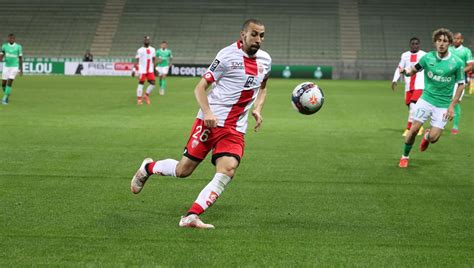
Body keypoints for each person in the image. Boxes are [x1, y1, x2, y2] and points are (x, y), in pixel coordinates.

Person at [131, 19, 271, 228]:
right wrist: (207, 112)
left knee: (228, 169)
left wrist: (258, 109)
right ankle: (148, 167)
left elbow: (263, 86)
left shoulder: (265, 60)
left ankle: (191, 215)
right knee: (183, 171)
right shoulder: (226, 55)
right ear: (243, 35)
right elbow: (200, 87)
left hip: (234, 129)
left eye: (261, 35)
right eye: (254, 34)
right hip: (210, 122)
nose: (258, 39)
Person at [398, 28, 465, 168]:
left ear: (449, 44)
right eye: (439, 40)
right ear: (435, 42)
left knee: (434, 138)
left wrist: (452, 105)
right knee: (414, 129)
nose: (441, 44)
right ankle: (405, 156)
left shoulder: (457, 62)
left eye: (445, 41)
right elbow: (414, 69)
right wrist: (407, 72)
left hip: (443, 105)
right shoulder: (427, 58)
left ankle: (427, 136)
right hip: (426, 100)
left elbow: (460, 85)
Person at [392, 37, 426, 136]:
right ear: (410, 45)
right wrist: (395, 80)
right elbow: (400, 68)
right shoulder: (405, 55)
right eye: (413, 43)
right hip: (408, 86)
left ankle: (409, 128)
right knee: (411, 108)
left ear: (419, 45)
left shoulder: (424, 55)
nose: (414, 45)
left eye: (416, 44)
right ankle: (419, 126)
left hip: (420, 85)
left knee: (413, 106)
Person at [447, 32, 473, 134]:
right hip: (448, 79)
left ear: (462, 40)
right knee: (445, 101)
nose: (456, 40)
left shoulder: (466, 51)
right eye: (454, 38)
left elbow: (471, 66)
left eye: (458, 39)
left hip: (460, 80)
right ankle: (441, 122)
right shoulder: (448, 49)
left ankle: (455, 126)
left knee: (456, 102)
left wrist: (459, 72)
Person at [131, 36, 156, 105]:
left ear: (149, 41)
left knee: (153, 84)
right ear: (143, 41)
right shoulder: (140, 50)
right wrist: (134, 70)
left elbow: (154, 58)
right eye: (145, 40)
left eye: (148, 40)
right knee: (141, 84)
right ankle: (139, 99)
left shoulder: (153, 49)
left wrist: (154, 68)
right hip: (142, 70)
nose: (146, 41)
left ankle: (146, 96)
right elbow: (137, 60)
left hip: (150, 70)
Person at [0, 33, 23, 105]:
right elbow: (1, 55)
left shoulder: (18, 47)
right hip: (6, 67)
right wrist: (1, 58)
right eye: (10, 38)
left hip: (14, 67)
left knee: (9, 82)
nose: (11, 39)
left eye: (12, 38)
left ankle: (5, 98)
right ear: (8, 39)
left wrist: (21, 69)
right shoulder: (4, 46)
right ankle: (7, 94)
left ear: (14, 39)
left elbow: (20, 58)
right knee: (3, 84)